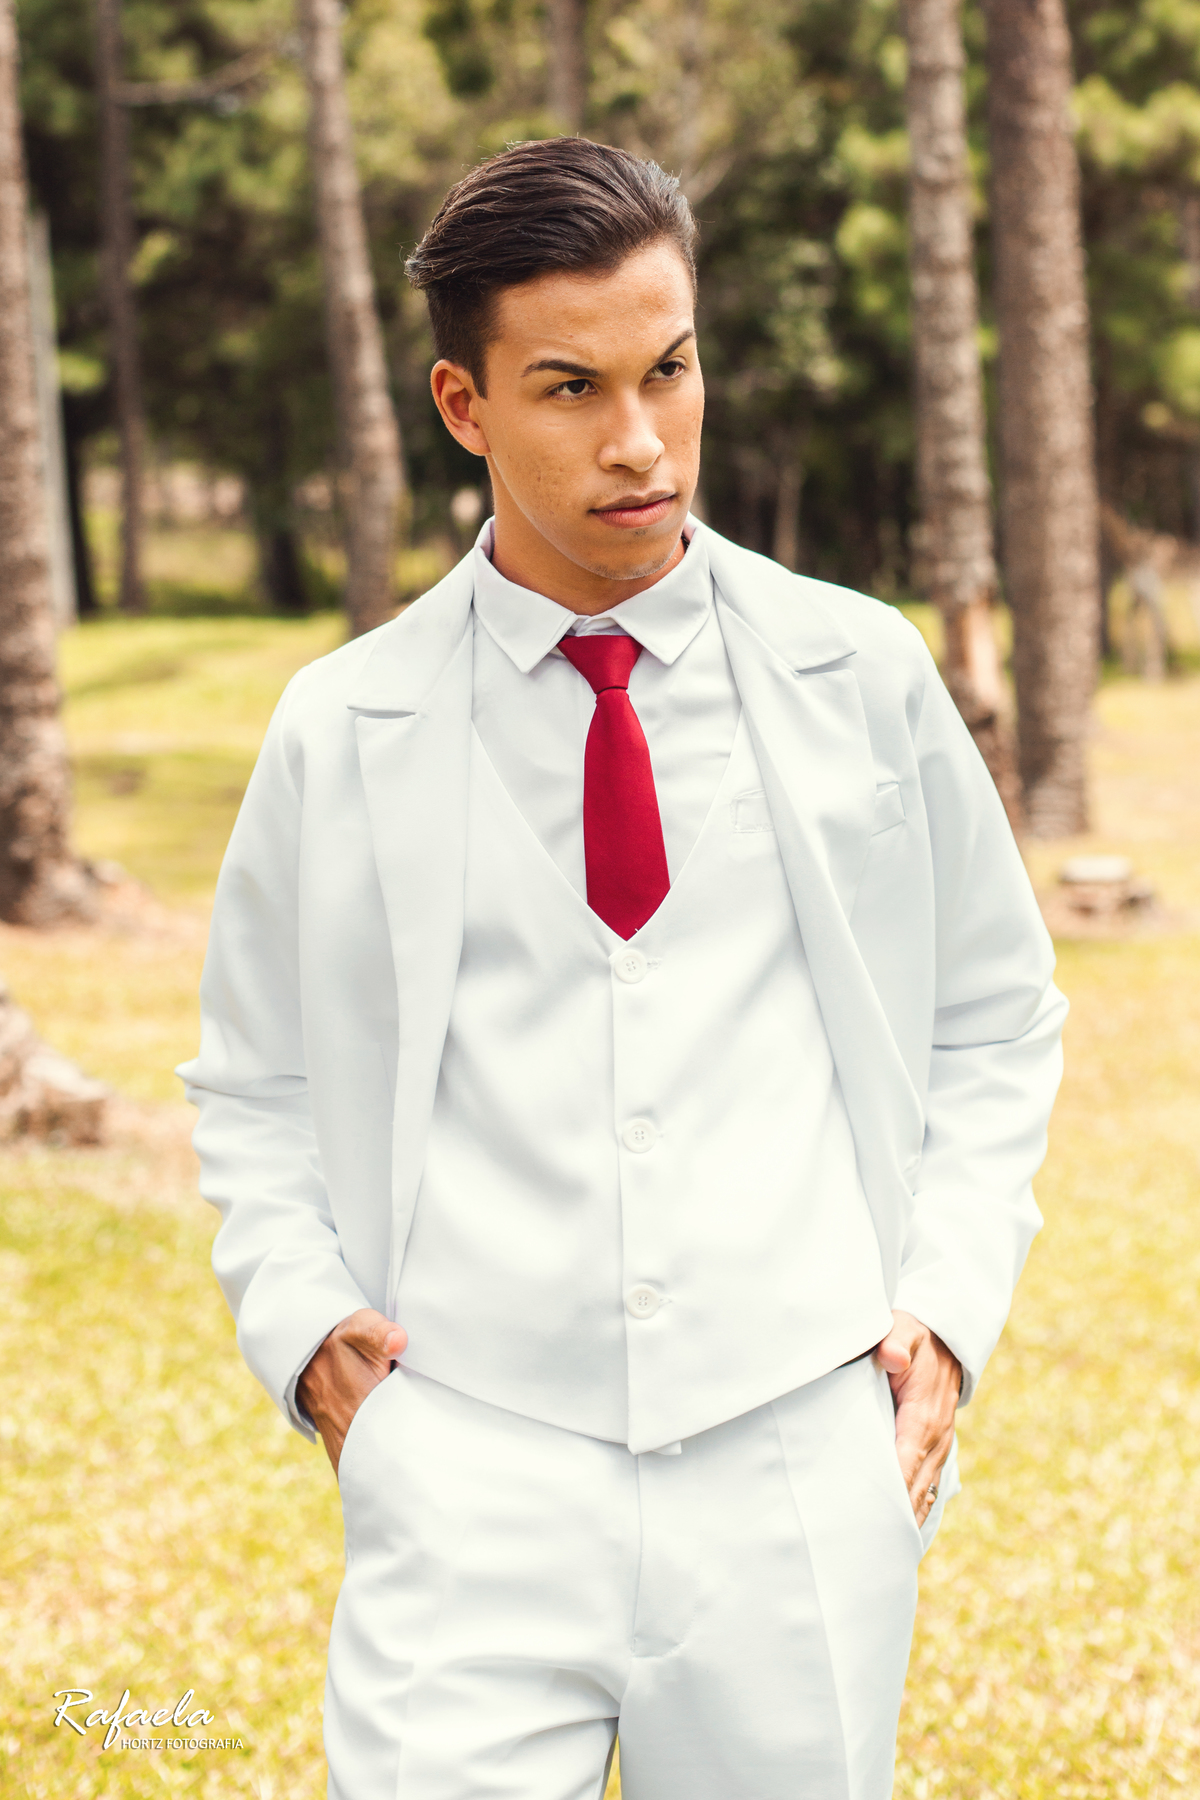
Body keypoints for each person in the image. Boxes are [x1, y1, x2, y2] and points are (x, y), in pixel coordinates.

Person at [178, 137, 1066, 1800]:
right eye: (572, 388)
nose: (641, 441)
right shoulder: (343, 725)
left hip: (797, 1467)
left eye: (670, 368)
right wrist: (300, 1322)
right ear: (463, 405)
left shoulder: (862, 670)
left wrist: (945, 1311)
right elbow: (256, 1074)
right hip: (467, 1466)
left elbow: (995, 1016)